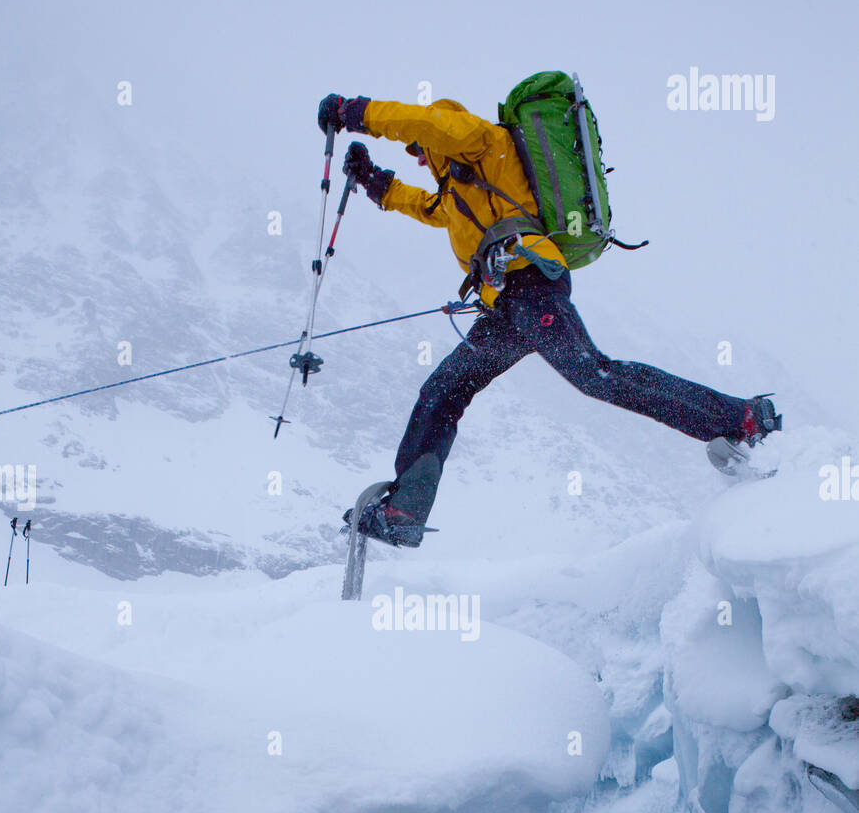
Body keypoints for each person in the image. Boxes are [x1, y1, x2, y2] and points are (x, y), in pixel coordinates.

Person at [317, 92, 782, 547]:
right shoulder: (457, 192)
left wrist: (353, 114)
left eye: (421, 151)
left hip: (534, 286)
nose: (420, 158)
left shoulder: (481, 140)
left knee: (593, 374)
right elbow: (422, 206)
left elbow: (424, 124)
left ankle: (740, 417)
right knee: (443, 390)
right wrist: (372, 180)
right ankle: (404, 512)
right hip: (504, 310)